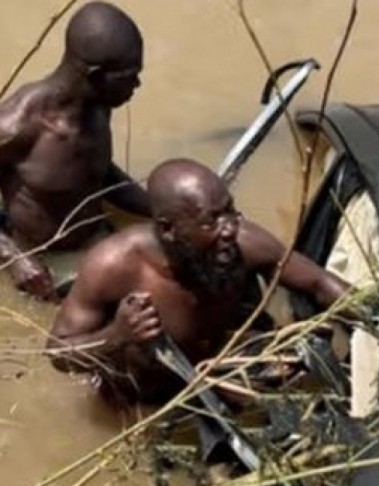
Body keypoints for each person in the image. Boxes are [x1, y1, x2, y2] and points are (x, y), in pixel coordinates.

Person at [45, 158, 351, 406]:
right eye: (211, 221)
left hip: (213, 383)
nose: (230, 228)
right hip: (142, 405)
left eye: (230, 211)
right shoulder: (114, 265)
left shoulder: (246, 244)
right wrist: (117, 334)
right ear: (168, 230)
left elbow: (319, 284)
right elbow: (58, 354)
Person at [0, 2, 152, 301]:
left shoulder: (99, 106)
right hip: (43, 270)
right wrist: (13, 258)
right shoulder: (16, 128)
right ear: (96, 76)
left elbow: (98, 172)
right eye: (129, 75)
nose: (137, 84)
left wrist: (156, 206)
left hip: (96, 245)